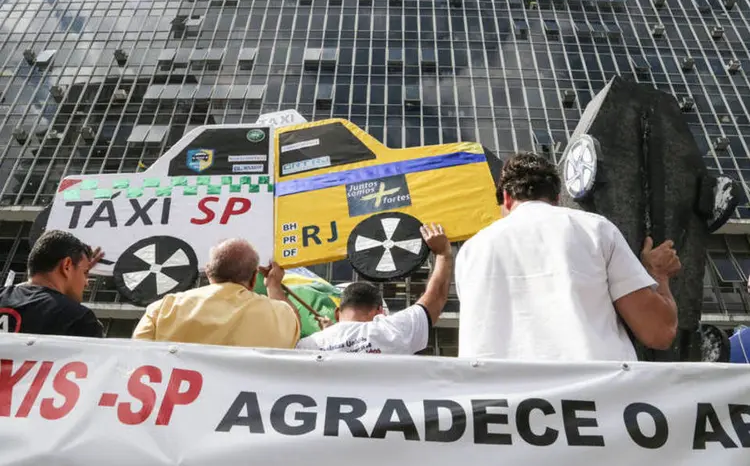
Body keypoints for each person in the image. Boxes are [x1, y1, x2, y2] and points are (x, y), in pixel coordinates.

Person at [456, 152, 681, 361]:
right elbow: (658, 332)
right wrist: (657, 274)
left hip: (498, 397)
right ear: (557, 198)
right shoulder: (595, 229)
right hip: (598, 392)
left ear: (505, 198)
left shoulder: (470, 251)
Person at [296, 223, 452, 354]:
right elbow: (435, 298)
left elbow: (283, 322)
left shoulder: (309, 346)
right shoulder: (392, 332)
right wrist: (443, 253)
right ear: (379, 311)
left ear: (337, 313)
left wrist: (329, 334)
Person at [132, 238, 301, 348]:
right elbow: (294, 324)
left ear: (208, 272)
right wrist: (273, 285)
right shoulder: (279, 314)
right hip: (247, 403)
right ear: (254, 278)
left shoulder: (162, 308)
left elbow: (137, 358)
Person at [0, 230, 104, 337]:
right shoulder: (78, 319)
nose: (86, 283)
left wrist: (78, 270)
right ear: (67, 265)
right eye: (85, 272)